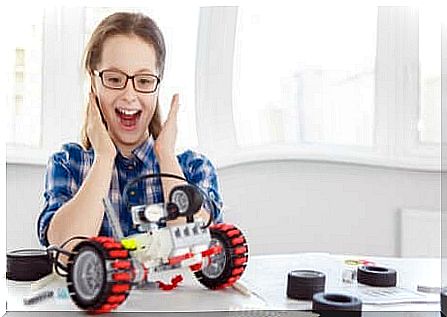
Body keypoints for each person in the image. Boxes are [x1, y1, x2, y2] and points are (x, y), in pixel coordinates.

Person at [37, 12, 223, 248]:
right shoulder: (69, 164)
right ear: (93, 82)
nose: (129, 95)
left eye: (144, 81)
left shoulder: (194, 169)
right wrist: (104, 158)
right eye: (114, 80)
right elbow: (65, 251)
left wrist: (165, 156)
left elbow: (202, 249)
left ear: (157, 85)